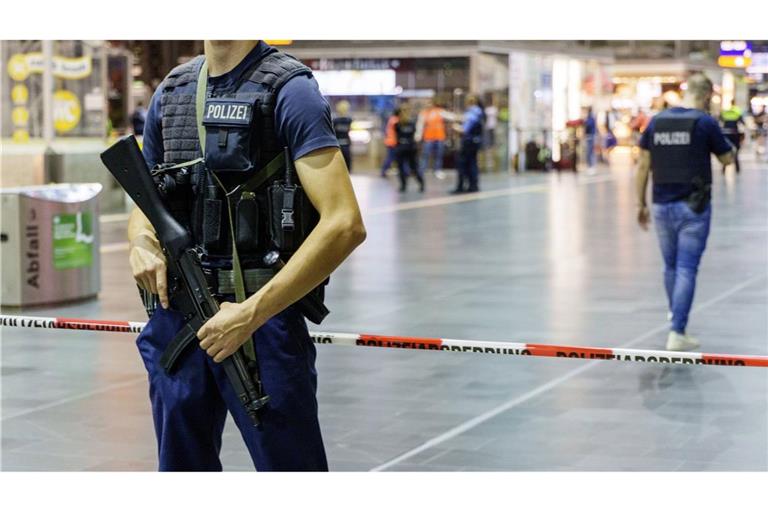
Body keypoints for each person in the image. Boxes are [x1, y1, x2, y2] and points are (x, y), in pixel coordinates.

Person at [128, 40, 366, 471]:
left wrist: (252, 313)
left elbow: (344, 223)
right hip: (180, 317)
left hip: (261, 326)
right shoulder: (173, 90)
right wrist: (141, 243)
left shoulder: (289, 90)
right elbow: (146, 200)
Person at [636, 72, 734, 352]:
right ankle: (677, 330)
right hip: (694, 207)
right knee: (687, 268)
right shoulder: (704, 122)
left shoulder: (657, 121)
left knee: (670, 266)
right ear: (706, 96)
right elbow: (726, 158)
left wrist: (638, 204)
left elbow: (643, 166)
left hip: (660, 204)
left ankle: (676, 317)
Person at [451, 94, 484, 194]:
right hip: (474, 142)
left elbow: (464, 130)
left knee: (463, 164)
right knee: (472, 163)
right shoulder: (478, 112)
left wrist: (455, 127)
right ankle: (472, 185)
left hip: (468, 142)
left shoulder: (472, 113)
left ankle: (463, 186)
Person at [394, 104, 424, 193]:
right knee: (414, 167)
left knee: (401, 168)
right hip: (411, 147)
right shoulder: (412, 123)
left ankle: (403, 186)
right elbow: (414, 135)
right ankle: (421, 183)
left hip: (402, 147)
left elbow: (397, 137)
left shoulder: (398, 124)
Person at [417, 99, 447, 179]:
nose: (428, 105)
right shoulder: (423, 113)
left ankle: (437, 170)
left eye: (430, 103)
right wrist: (418, 136)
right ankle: (421, 171)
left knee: (438, 155)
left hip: (439, 137)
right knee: (425, 155)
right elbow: (420, 125)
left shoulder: (440, 111)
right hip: (428, 138)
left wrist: (461, 117)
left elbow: (451, 116)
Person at [719, 101, 745, 174]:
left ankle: (724, 168)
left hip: (726, 133)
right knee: (736, 150)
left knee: (725, 150)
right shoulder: (737, 111)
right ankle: (737, 168)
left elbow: (720, 120)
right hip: (734, 133)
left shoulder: (725, 112)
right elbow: (742, 122)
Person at [333, 100, 353, 172]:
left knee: (338, 162)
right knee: (347, 160)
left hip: (337, 143)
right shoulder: (349, 120)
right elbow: (350, 129)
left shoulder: (335, 121)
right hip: (345, 143)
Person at [380, 107, 400, 178]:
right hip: (393, 142)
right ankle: (383, 171)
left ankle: (404, 171)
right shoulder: (396, 120)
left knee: (395, 158)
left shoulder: (391, 119)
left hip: (390, 141)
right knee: (390, 158)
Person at [583, 107, 597, 173]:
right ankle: (590, 166)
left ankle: (591, 166)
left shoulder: (590, 117)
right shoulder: (590, 117)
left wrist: (585, 121)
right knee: (589, 152)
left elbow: (588, 125)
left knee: (590, 152)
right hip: (590, 136)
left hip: (590, 136)